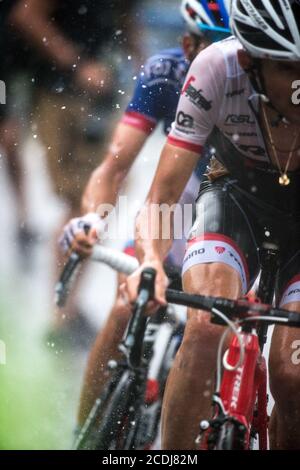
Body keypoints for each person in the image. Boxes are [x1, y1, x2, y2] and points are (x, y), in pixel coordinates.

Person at [123, 0, 300, 450]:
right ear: (250, 62)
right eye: (288, 68)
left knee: (292, 373)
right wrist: (150, 261)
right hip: (236, 199)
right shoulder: (215, 68)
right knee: (204, 327)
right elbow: (161, 197)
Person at [59, 0, 231, 427]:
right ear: (186, 43)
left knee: (210, 332)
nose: (224, 62)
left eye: (233, 48)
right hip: (181, 204)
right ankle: (86, 435)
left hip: (230, 209)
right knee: (125, 306)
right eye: (210, 47)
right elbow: (115, 166)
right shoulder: (165, 73)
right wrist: (95, 217)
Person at [6, 0, 141, 344]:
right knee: (83, 202)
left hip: (101, 96)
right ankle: (61, 313)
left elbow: (125, 19)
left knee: (101, 198)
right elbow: (25, 15)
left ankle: (65, 309)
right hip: (61, 96)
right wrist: (78, 65)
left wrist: (146, 66)